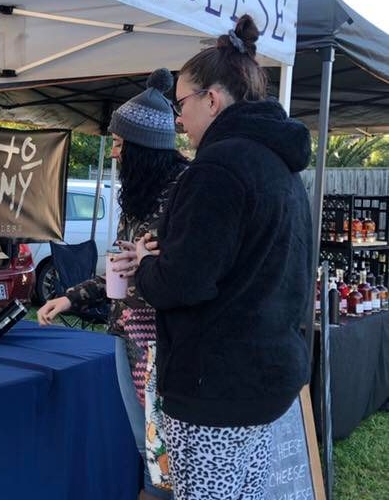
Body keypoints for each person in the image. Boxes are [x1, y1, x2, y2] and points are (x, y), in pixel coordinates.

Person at [134, 15, 313, 500]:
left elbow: (184, 281)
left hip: (215, 387)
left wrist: (145, 267)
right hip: (266, 380)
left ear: (211, 99)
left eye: (181, 104)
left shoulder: (217, 169)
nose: (178, 118)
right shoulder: (281, 168)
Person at [38, 68, 187, 500]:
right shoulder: (138, 194)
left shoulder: (186, 193)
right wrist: (69, 296)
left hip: (165, 343)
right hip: (126, 334)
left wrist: (144, 267)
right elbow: (119, 271)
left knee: (163, 453)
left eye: (120, 144)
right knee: (146, 446)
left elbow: (179, 276)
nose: (115, 153)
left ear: (143, 147)